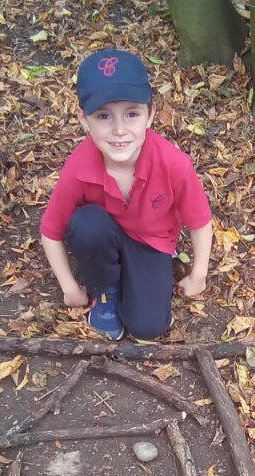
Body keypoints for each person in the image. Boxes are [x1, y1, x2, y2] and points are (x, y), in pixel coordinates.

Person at [39, 49, 214, 341]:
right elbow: (50, 232)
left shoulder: (172, 163)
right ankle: (106, 291)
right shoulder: (79, 166)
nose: (119, 130)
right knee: (86, 223)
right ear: (84, 119)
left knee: (149, 327)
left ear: (150, 115)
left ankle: (140, 276)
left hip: (151, 240)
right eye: (104, 116)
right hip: (102, 237)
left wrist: (198, 274)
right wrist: (69, 286)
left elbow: (199, 221)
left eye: (131, 114)